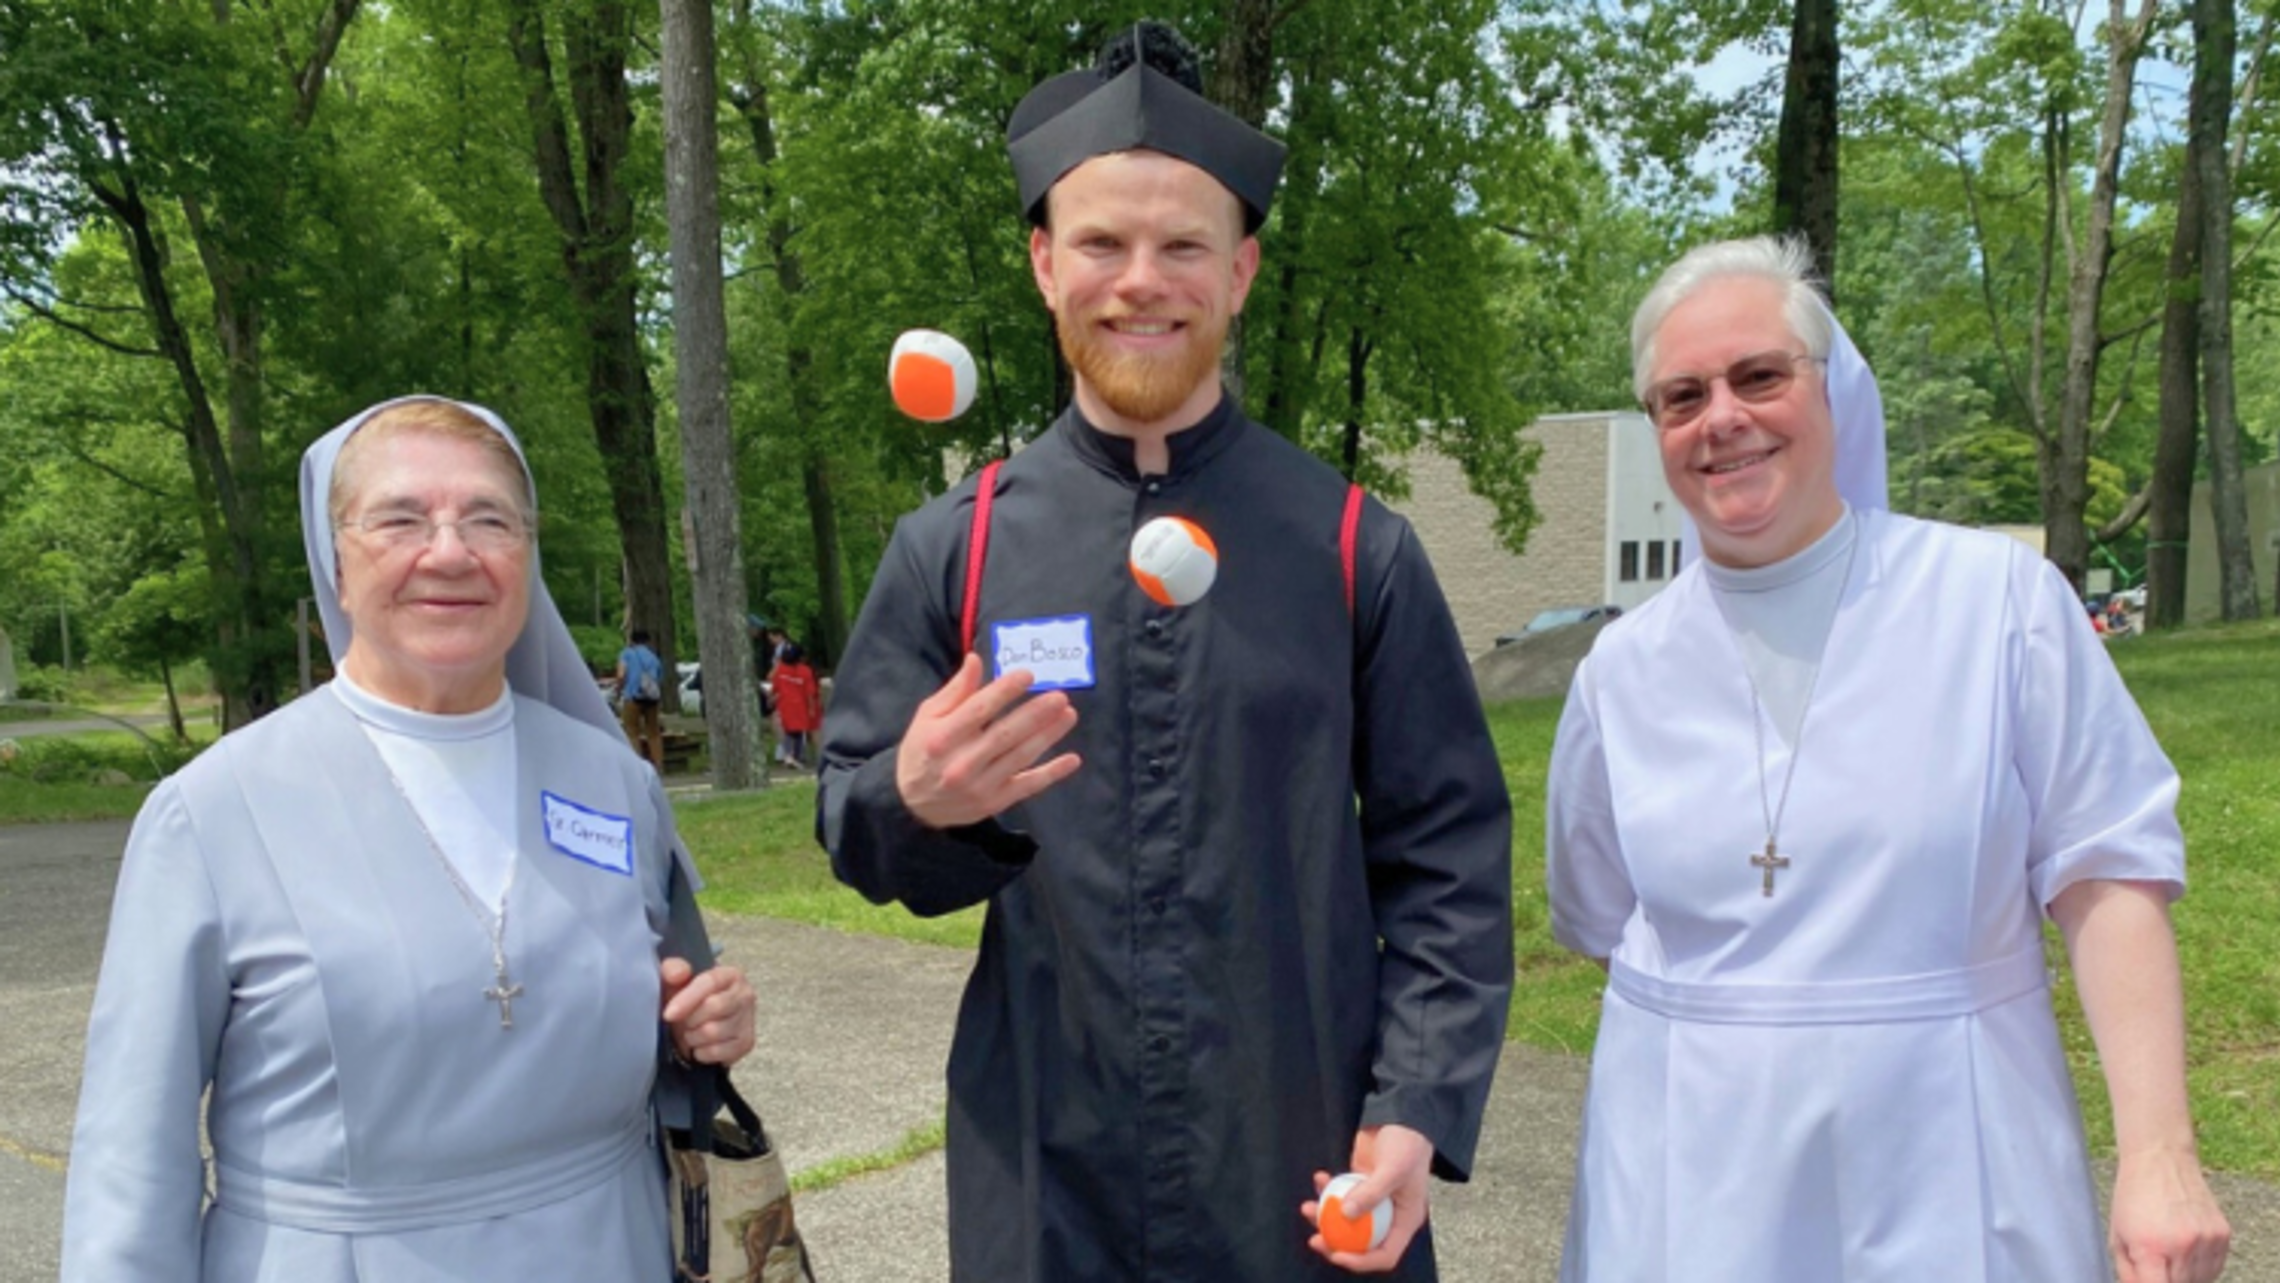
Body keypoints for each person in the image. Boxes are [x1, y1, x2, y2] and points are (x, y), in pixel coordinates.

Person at [817, 22, 1512, 1282]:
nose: (1143, 279)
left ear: (1239, 271)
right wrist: (909, 799)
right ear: (1043, 264)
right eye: (1101, 242)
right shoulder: (954, 550)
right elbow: (862, 837)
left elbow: (1450, 860)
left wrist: (1417, 1104)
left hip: (1304, 1169)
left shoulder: (1355, 546)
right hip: (1046, 1172)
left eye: (1184, 244)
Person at [1547, 236, 2231, 1282]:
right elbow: (1603, 918)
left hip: (1949, 1147)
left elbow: (2109, 869)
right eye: (1681, 396)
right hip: (1691, 1175)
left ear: (1831, 390)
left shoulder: (1995, 602)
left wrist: (2160, 1155)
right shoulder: (1620, 672)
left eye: (1760, 375)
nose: (1722, 416)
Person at [60, 395, 758, 1281]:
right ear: (337, 563)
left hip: (609, 1246)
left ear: (526, 553)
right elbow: (133, 1150)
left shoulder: (612, 778)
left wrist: (699, 1023)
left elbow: (643, 996)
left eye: (488, 519)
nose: (450, 550)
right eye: (400, 518)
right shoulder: (210, 811)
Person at [617, 626, 666, 773]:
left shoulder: (626, 654)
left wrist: (619, 688)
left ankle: (637, 766)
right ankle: (658, 765)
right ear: (648, 641)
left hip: (632, 696)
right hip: (652, 698)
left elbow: (621, 675)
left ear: (632, 640)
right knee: (653, 732)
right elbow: (659, 678)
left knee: (632, 731)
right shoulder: (654, 657)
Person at [770, 643, 822, 769]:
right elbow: (810, 692)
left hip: (785, 704)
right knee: (797, 731)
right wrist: (811, 708)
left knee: (791, 730)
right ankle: (793, 756)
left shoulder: (780, 669)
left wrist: (772, 698)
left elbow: (775, 687)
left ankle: (791, 756)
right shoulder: (805, 670)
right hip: (800, 705)